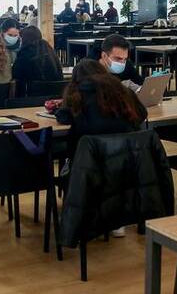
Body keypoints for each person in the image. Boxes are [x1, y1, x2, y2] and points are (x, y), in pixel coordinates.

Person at [55, 58, 147, 238]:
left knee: (67, 164)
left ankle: (82, 213)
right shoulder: (123, 91)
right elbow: (142, 114)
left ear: (76, 79)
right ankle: (116, 219)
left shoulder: (77, 95)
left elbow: (65, 117)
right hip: (125, 164)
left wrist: (59, 109)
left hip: (88, 166)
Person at [12, 25, 63, 96]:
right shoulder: (49, 51)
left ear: (24, 39)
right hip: (54, 96)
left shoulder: (25, 53)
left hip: (32, 97)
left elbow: (16, 75)